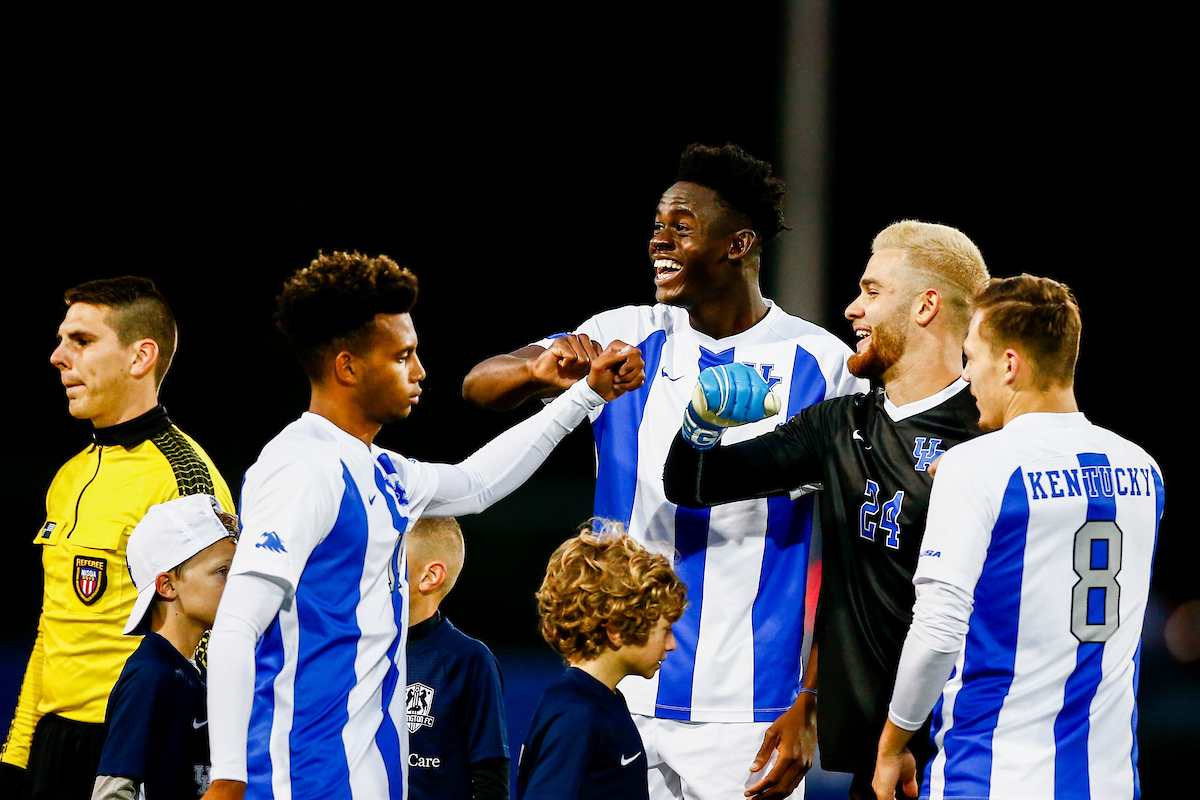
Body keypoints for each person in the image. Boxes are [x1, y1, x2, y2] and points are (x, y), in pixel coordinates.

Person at [464, 143, 865, 800]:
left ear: (739, 243)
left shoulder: (822, 367)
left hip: (749, 710)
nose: (659, 240)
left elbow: (850, 551)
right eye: (656, 225)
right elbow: (480, 385)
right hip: (614, 689)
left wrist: (811, 700)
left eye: (681, 225)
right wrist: (537, 372)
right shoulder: (624, 334)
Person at [202, 251, 643, 800]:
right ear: (348, 367)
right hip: (301, 779)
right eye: (403, 356)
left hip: (369, 777)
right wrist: (226, 778)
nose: (420, 372)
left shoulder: (380, 470)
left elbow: (478, 484)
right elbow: (237, 627)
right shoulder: (301, 468)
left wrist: (586, 395)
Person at [662, 220, 989, 799]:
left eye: (872, 290)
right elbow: (693, 483)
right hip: (881, 765)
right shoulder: (840, 426)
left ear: (925, 306)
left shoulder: (993, 436)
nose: (852, 309)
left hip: (972, 753)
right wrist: (701, 424)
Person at [871, 275, 1164, 800]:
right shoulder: (1144, 472)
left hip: (991, 776)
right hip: (1109, 781)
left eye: (971, 358)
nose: (966, 377)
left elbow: (937, 631)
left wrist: (894, 742)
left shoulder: (977, 469)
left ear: (1009, 365)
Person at [1, 277, 235, 800]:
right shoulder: (68, 476)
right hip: (53, 746)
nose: (59, 356)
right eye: (63, 340)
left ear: (140, 357)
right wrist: (18, 755)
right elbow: (52, 627)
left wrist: (208, 762)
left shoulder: (185, 478)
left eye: (81, 341)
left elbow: (220, 629)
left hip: (136, 746)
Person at [517, 521, 688, 800]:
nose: (672, 644)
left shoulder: (603, 700)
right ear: (617, 631)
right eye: (665, 630)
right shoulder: (576, 715)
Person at [92, 494, 238, 800]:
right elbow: (111, 794)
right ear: (167, 586)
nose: (237, 584)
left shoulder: (192, 672)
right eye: (223, 572)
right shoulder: (151, 676)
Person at [405, 517, 509, 800]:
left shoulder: (468, 661)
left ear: (429, 577)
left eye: (392, 557)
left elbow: (490, 784)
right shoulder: (359, 649)